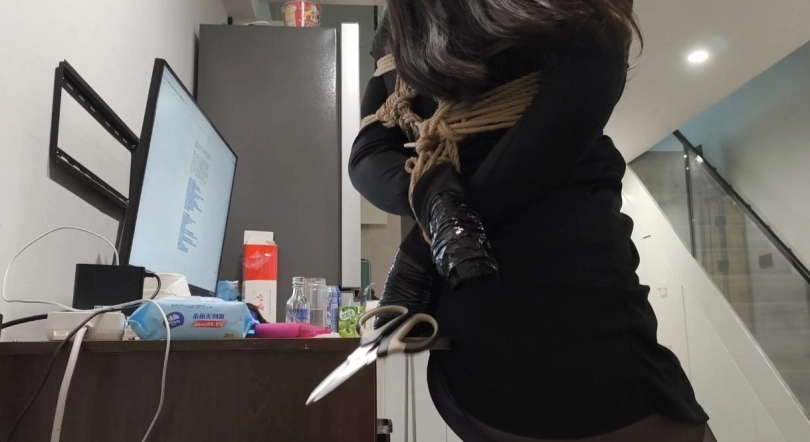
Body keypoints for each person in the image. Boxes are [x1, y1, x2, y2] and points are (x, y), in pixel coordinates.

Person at [349, 1, 712, 441]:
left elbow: (369, 154)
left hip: (478, 355)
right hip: (575, 329)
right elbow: (367, 152)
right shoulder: (403, 17)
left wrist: (432, 231)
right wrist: (435, 205)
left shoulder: (404, 18)